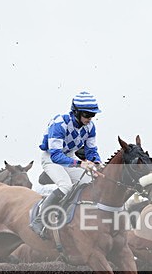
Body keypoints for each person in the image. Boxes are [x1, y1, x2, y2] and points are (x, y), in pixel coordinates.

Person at [31, 91, 103, 238]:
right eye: (87, 115)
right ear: (76, 112)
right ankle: (39, 220)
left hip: (69, 156)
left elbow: (91, 150)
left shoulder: (90, 127)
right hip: (51, 158)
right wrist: (80, 164)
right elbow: (56, 155)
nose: (90, 119)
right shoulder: (59, 124)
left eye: (93, 115)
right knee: (66, 186)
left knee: (90, 182)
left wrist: (96, 162)